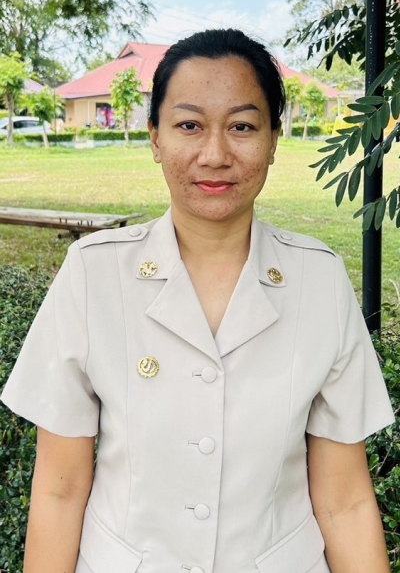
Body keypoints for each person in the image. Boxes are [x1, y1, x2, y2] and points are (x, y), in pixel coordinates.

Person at [0, 29, 395, 573]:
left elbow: (344, 501)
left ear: (274, 140)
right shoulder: (93, 274)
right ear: (155, 138)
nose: (215, 155)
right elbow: (59, 491)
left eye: (242, 126)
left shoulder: (318, 279)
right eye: (189, 125)